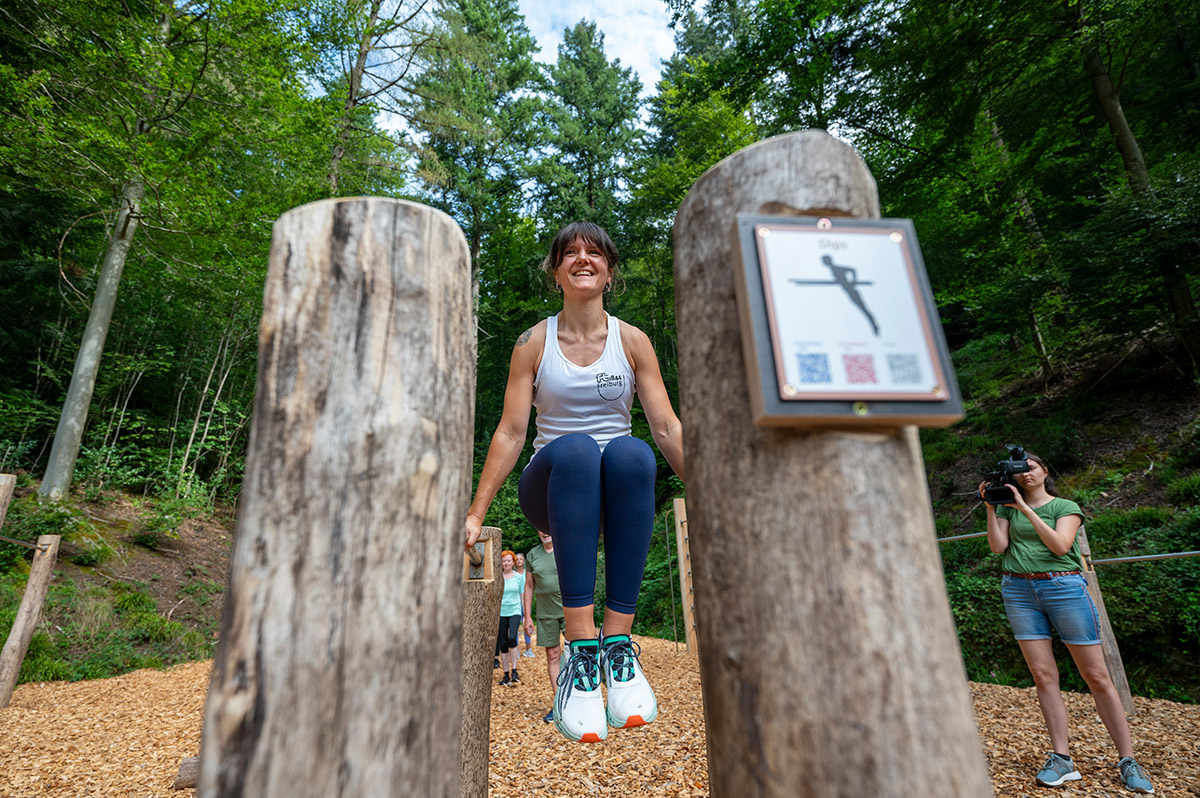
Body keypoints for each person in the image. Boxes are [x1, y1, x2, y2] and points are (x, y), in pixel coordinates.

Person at [464, 221, 685, 744]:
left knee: (631, 451)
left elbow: (667, 427)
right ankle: (580, 655)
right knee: (582, 447)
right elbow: (512, 431)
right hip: (553, 486)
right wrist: (475, 512)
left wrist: (713, 497)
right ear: (556, 271)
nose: (582, 259)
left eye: (594, 253)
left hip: (613, 496)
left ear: (609, 272)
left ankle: (617, 650)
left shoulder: (632, 342)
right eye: (570, 253)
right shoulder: (533, 342)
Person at [980, 452, 1154, 794]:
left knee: (1097, 676)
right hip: (1018, 588)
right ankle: (1062, 758)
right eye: (1019, 470)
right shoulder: (1004, 508)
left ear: (1045, 470)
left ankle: (1128, 759)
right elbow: (998, 547)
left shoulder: (1065, 507)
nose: (1025, 474)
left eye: (1030, 467)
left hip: (1064, 587)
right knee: (1043, 676)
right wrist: (991, 506)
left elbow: (1060, 546)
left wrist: (1024, 509)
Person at [524, 529, 565, 723]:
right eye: (541, 528)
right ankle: (559, 702)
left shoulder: (565, 548)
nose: (546, 531)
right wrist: (527, 616)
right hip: (545, 612)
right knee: (552, 655)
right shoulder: (533, 554)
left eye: (549, 527)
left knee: (578, 652)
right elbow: (529, 586)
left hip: (570, 609)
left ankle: (582, 698)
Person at [496, 549, 526, 688]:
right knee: (503, 643)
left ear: (513, 562)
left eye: (509, 560)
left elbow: (522, 595)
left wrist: (526, 615)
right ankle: (506, 673)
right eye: (504, 561)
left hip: (514, 610)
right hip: (501, 612)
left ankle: (514, 670)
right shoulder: (498, 577)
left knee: (512, 638)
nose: (506, 563)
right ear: (501, 563)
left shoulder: (519, 577)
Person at [513, 552, 536, 658]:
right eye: (516, 559)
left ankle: (528, 649)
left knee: (527, 626)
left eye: (520, 559)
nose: (519, 561)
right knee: (514, 627)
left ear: (524, 561)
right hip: (515, 604)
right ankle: (515, 650)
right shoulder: (512, 573)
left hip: (525, 603)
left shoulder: (527, 572)